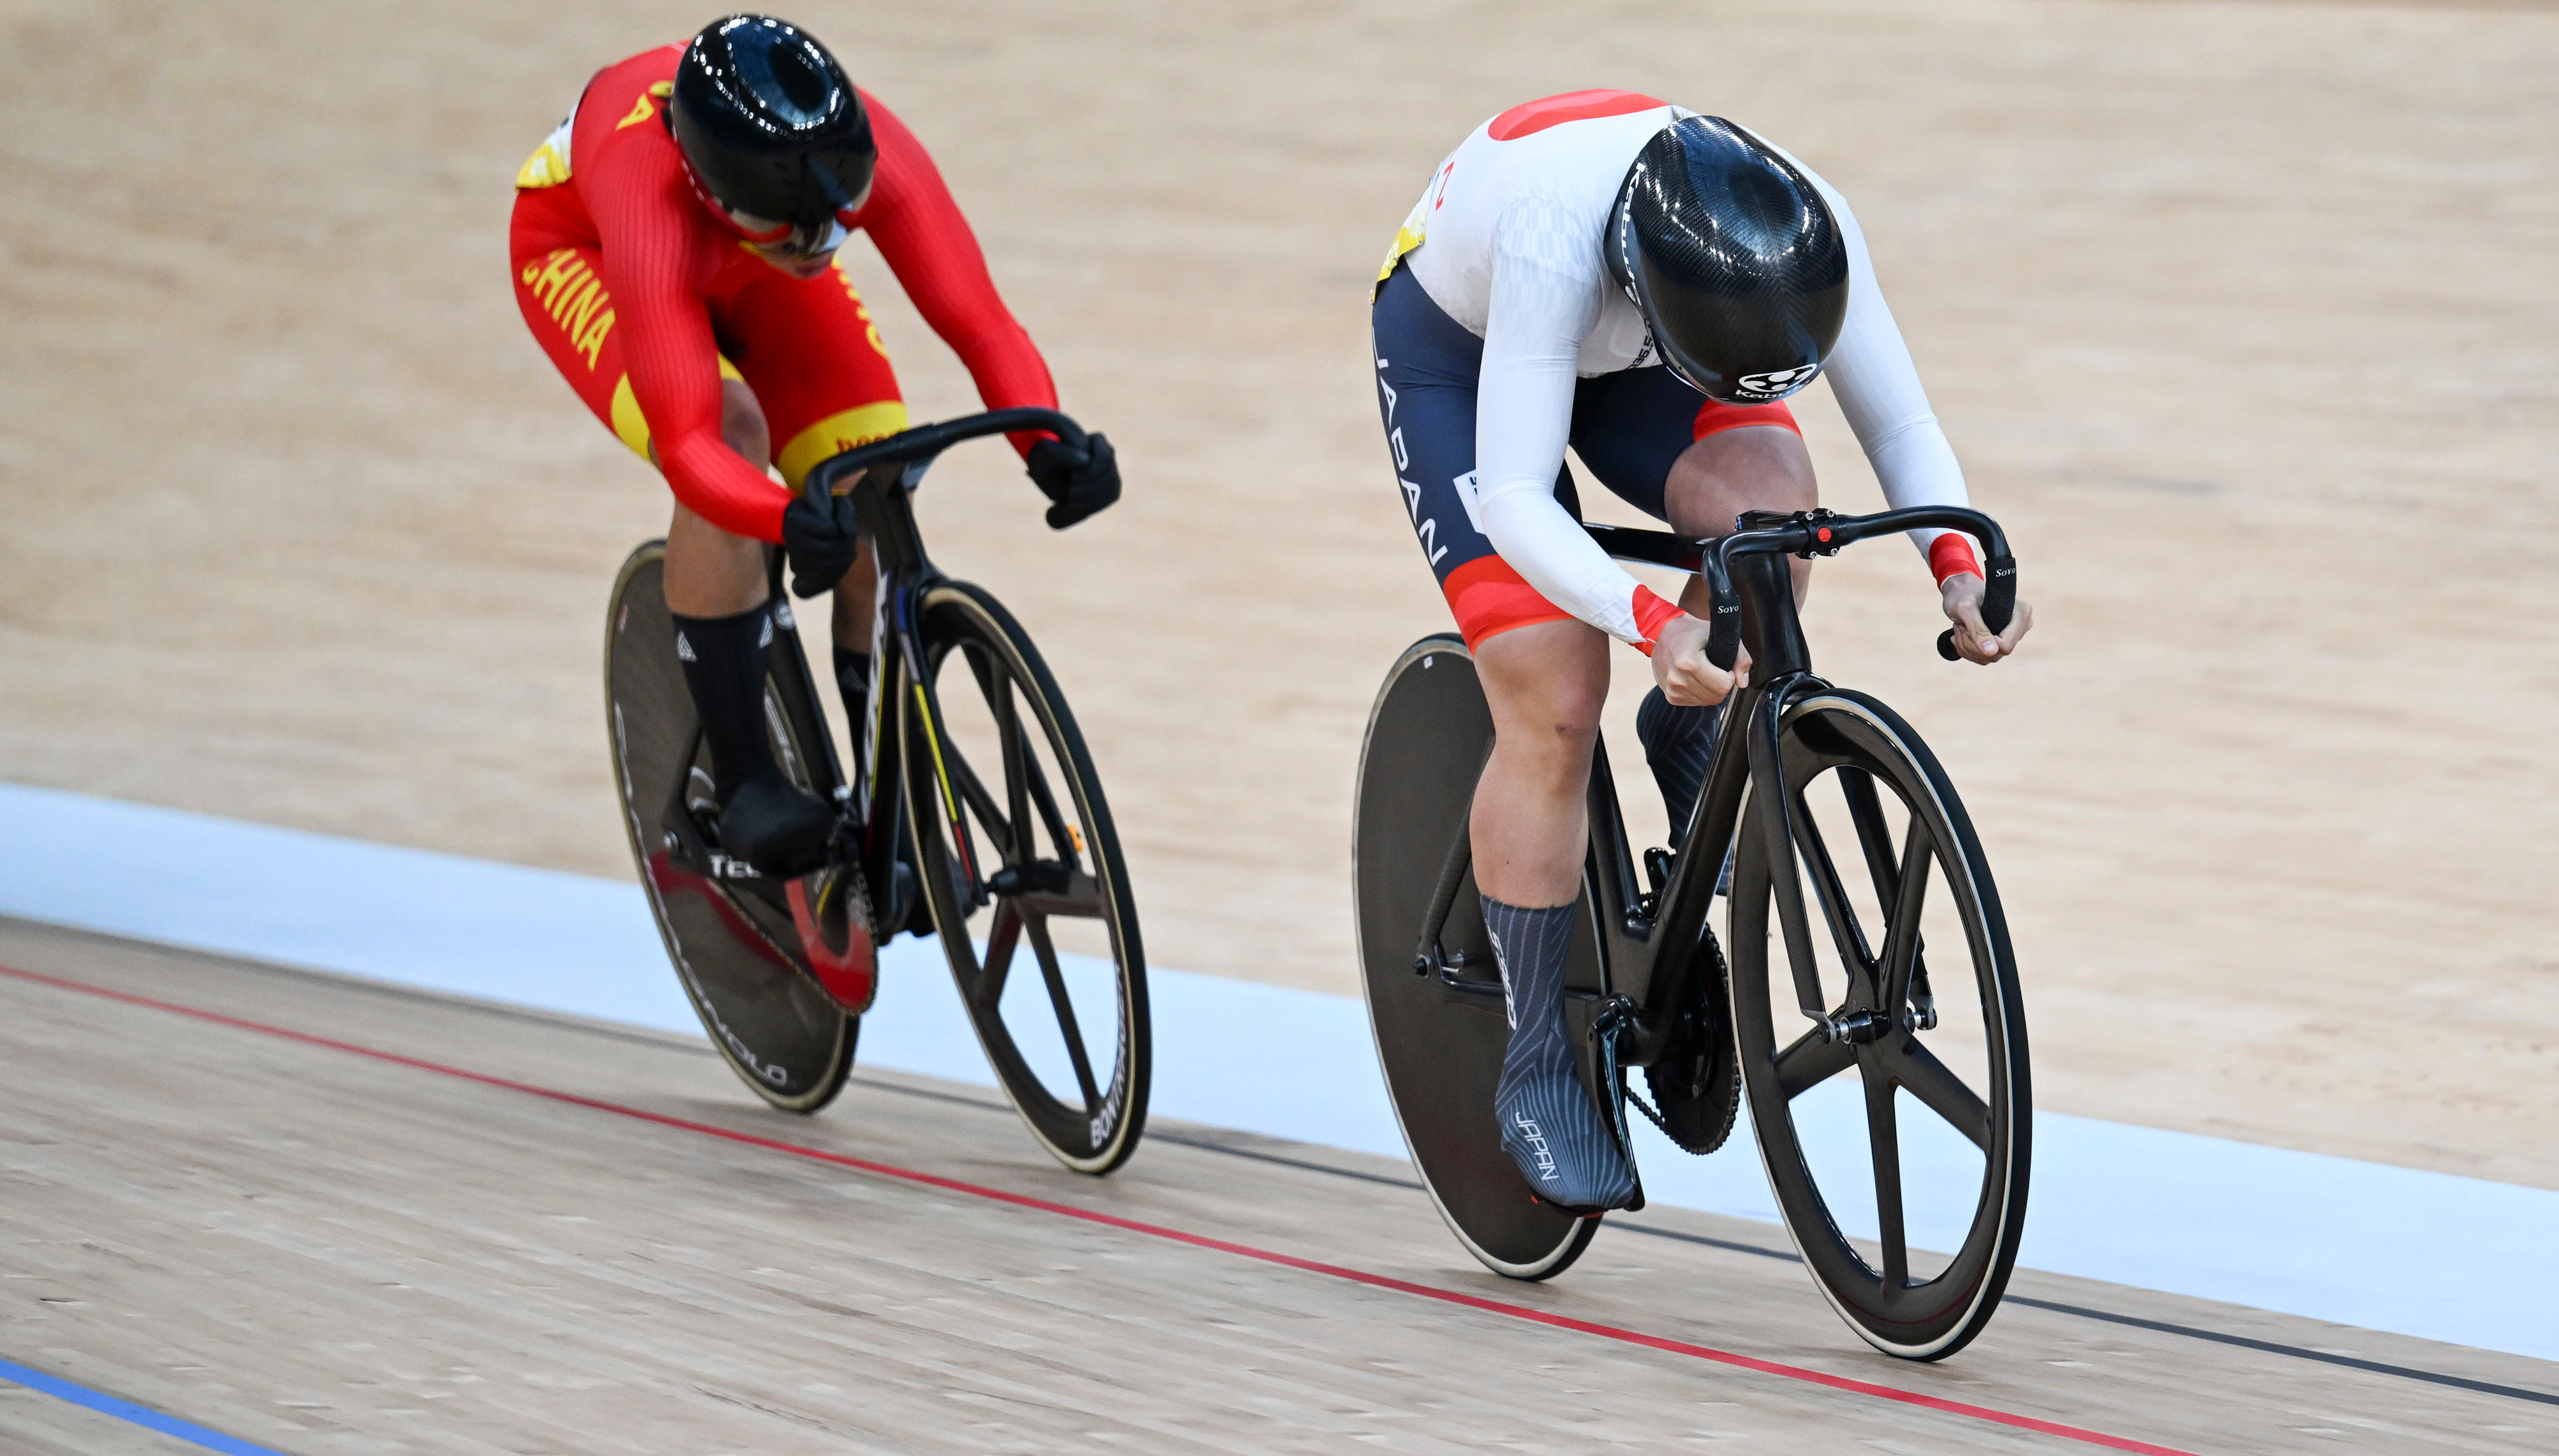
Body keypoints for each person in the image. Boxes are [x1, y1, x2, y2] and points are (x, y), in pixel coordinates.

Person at [1370, 93, 2032, 1212]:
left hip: (1645, 355)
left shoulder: (1809, 224)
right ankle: (1538, 1064)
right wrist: (1651, 620)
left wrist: (1954, 564)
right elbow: (1524, 502)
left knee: (1775, 517)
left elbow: (1899, 427)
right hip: (1463, 355)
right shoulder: (1550, 231)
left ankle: (1691, 728)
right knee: (1559, 697)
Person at [511, 14, 1118, 876]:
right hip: (587, 251)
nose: (824, 246)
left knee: (875, 484)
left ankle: (886, 790)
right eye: (799, 231)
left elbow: (981, 323)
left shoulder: (846, 166)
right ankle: (748, 777)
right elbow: (689, 443)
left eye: (838, 223)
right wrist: (782, 516)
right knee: (734, 430)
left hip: (743, 263)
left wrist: (1044, 438)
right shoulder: (651, 202)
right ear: (722, 198)